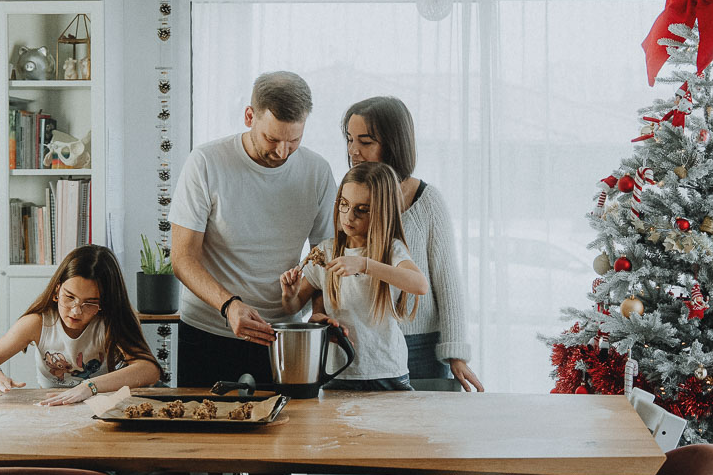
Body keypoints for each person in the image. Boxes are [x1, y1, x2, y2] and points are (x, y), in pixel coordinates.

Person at [170, 71, 336, 387]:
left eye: (295, 140)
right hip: (208, 329)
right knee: (202, 434)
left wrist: (317, 311)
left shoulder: (318, 172)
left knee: (287, 433)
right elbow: (183, 258)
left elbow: (325, 256)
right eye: (272, 139)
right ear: (250, 116)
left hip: (283, 336)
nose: (282, 152)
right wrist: (229, 305)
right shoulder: (205, 162)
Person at [342, 96, 484, 391]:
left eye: (365, 142)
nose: (353, 151)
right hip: (367, 346)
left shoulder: (428, 202)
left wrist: (456, 354)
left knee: (424, 434)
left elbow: (448, 281)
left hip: (420, 346)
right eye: (349, 139)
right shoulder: (352, 199)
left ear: (393, 144)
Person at [279, 162, 428, 391]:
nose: (349, 216)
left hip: (387, 371)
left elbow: (419, 285)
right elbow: (293, 307)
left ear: (381, 212)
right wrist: (290, 295)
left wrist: (364, 264)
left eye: (362, 209)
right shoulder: (325, 252)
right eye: (344, 205)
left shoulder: (391, 250)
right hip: (337, 372)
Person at [0, 244, 161, 403]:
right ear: (57, 291)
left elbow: (149, 370)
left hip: (98, 406)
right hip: (50, 408)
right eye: (69, 297)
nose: (76, 311)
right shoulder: (36, 323)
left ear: (105, 302)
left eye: (90, 303)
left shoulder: (108, 323)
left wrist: (89, 387)